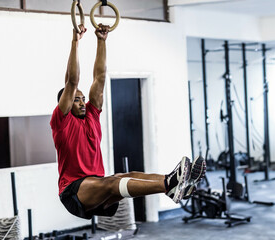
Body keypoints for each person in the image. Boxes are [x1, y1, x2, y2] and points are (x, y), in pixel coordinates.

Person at [50, 24, 206, 220]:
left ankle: (174, 183)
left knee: (125, 175)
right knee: (112, 183)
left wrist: (101, 41)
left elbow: (99, 77)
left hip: (95, 184)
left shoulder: (91, 115)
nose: (82, 102)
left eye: (83, 99)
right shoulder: (61, 122)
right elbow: (72, 81)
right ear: (64, 103)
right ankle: (169, 185)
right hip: (73, 191)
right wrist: (75, 42)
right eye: (76, 99)